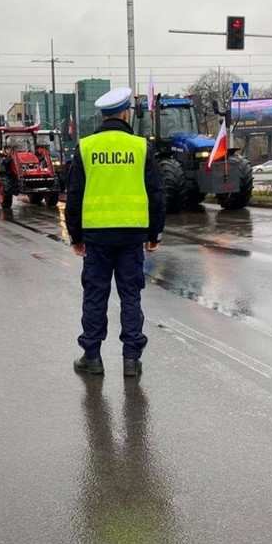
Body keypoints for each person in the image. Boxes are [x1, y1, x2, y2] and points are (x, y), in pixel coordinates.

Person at [65, 87, 165, 378]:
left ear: (103, 115)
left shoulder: (86, 147)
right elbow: (156, 193)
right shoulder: (140, 146)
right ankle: (131, 361)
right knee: (130, 297)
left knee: (95, 296)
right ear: (124, 113)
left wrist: (76, 236)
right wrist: (154, 233)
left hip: (96, 237)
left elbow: (74, 195)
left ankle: (92, 358)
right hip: (132, 235)